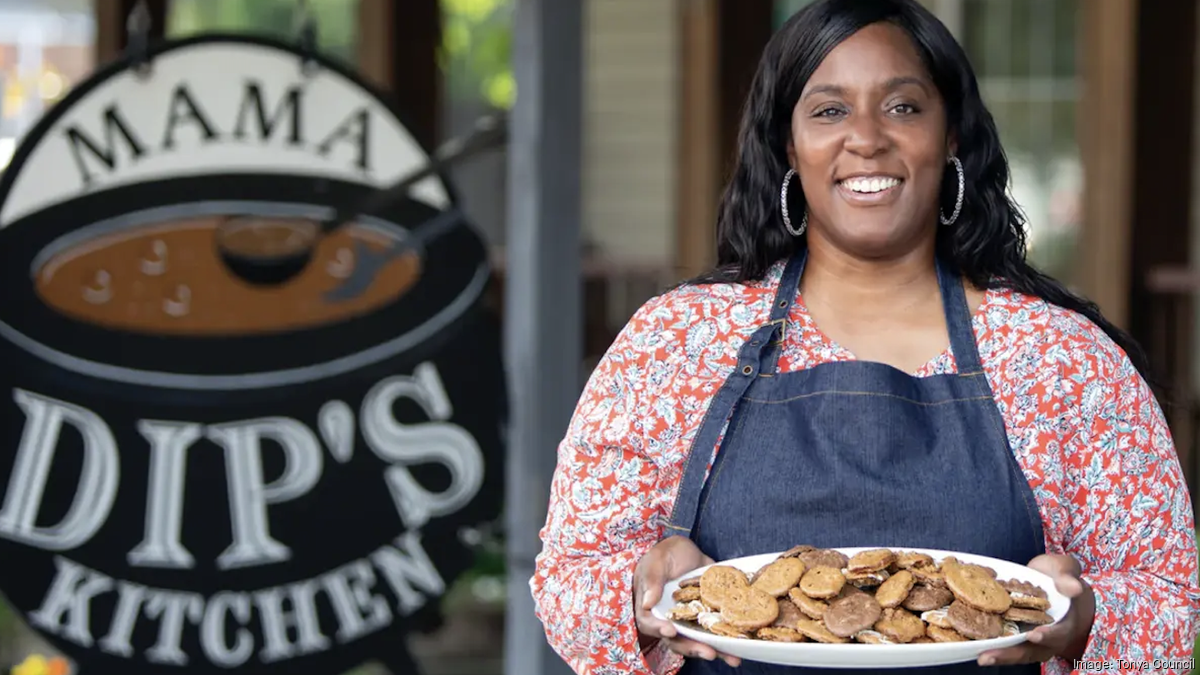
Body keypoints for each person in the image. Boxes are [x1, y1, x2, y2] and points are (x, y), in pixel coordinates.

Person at [530, 0, 1200, 673]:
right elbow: (569, 575)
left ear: (952, 136)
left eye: (904, 107)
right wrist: (647, 591)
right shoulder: (677, 342)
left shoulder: (1060, 358)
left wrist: (1082, 618)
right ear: (789, 144)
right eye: (829, 110)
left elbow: (1167, 597)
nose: (868, 138)